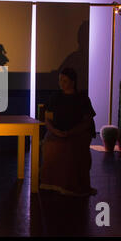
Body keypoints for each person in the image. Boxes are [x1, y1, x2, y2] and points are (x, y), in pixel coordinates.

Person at [40, 67, 97, 196]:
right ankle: (51, 182)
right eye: (60, 80)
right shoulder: (55, 97)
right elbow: (47, 119)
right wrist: (56, 132)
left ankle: (73, 185)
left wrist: (71, 132)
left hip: (77, 132)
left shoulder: (82, 98)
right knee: (50, 145)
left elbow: (87, 121)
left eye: (64, 81)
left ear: (73, 82)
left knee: (71, 147)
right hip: (57, 131)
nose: (61, 83)